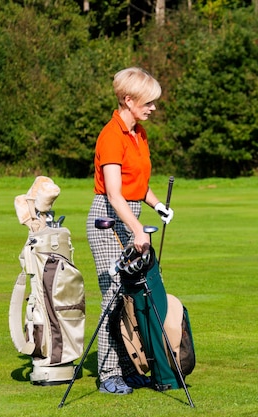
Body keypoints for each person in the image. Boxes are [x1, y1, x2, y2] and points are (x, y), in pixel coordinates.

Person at [86, 67, 174, 395]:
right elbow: (113, 193)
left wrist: (156, 205)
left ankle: (129, 368)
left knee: (134, 298)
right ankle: (109, 374)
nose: (153, 108)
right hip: (107, 222)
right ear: (128, 100)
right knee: (112, 298)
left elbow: (137, 184)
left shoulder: (139, 133)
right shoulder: (111, 135)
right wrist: (138, 228)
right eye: (148, 102)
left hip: (130, 217)